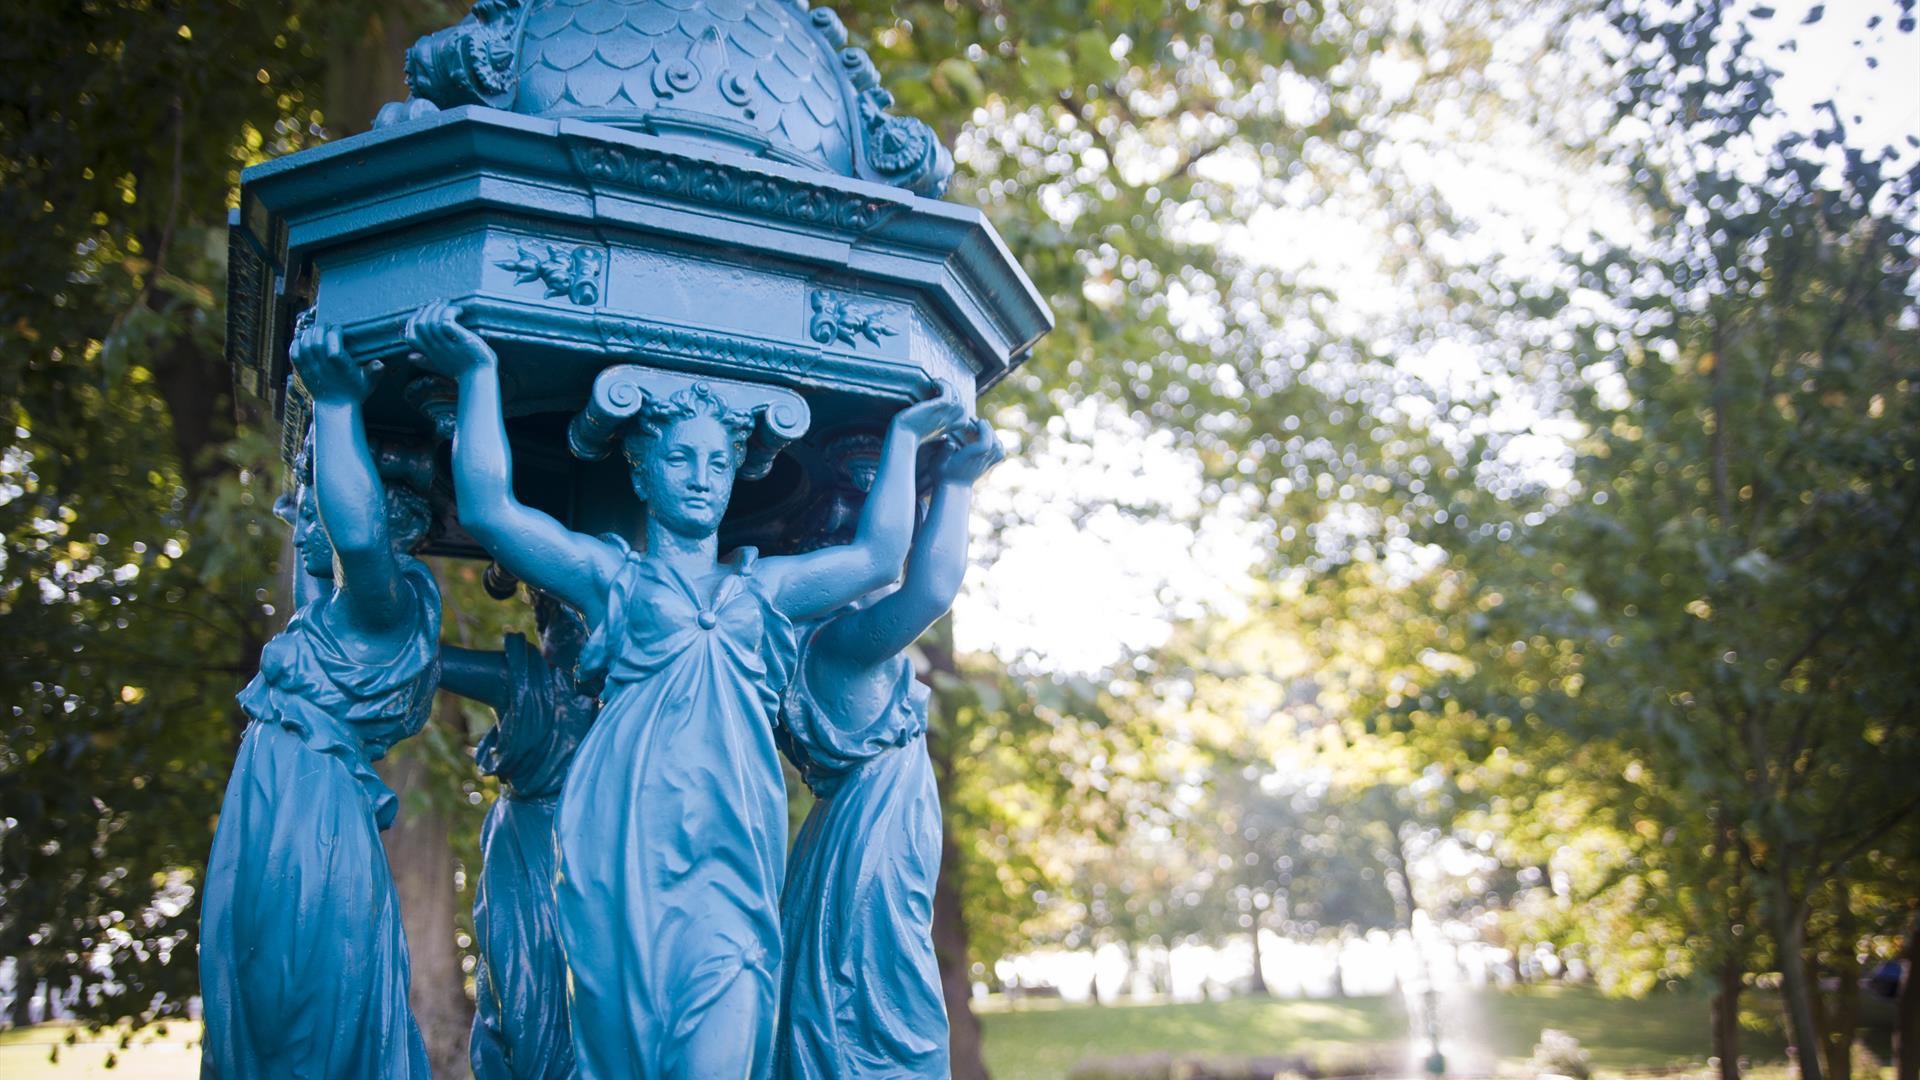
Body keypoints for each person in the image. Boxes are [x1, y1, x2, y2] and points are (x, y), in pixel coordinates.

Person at [405, 300, 964, 1078]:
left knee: (723, 1043)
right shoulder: (616, 582)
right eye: (679, 460)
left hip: (729, 854)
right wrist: (477, 375)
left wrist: (907, 441)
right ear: (640, 465)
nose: (702, 480)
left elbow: (878, 557)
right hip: (621, 846)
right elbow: (494, 513)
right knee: (621, 1055)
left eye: (716, 464)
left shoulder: (763, 592)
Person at [200, 320, 441, 1079]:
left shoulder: (383, 605)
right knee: (253, 995)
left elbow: (357, 542)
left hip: (309, 821)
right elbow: (328, 536)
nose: (303, 517)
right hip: (275, 805)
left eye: (316, 508)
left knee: (297, 1005)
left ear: (398, 521)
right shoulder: (323, 617)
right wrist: (311, 445)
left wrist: (338, 405)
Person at [775, 419, 1004, 1079]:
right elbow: (929, 592)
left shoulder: (824, 648)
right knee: (883, 1000)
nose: (889, 560)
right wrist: (954, 486)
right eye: (869, 547)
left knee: (876, 995)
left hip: (864, 836)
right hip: (871, 846)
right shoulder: (843, 649)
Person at [442, 591, 598, 1080]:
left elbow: (424, 654)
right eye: (551, 609)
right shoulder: (539, 684)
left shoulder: (539, 684)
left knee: (530, 982)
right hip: (556, 848)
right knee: (520, 978)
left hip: (573, 849)